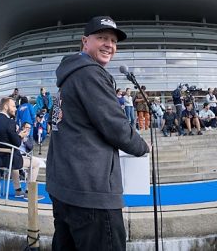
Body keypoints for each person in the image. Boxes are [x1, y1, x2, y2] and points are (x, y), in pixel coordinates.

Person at [46, 16, 149, 251]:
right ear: (85, 41)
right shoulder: (90, 74)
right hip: (90, 192)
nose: (109, 45)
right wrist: (142, 146)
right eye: (102, 38)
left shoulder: (70, 76)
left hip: (64, 189)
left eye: (113, 41)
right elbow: (116, 127)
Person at [0, 97, 26, 195]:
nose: (16, 109)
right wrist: (20, 135)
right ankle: (29, 192)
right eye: (13, 106)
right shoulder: (10, 122)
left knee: (15, 156)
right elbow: (17, 143)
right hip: (7, 159)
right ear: (5, 106)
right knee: (36, 163)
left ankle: (18, 190)